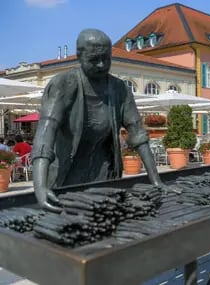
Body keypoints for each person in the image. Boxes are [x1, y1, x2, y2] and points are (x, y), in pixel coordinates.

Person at [31, 29, 166, 213]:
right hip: (66, 178)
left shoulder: (120, 89)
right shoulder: (63, 84)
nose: (102, 64)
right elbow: (46, 131)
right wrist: (40, 186)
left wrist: (156, 181)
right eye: (94, 60)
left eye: (106, 58)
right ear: (79, 56)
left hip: (104, 176)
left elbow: (138, 135)